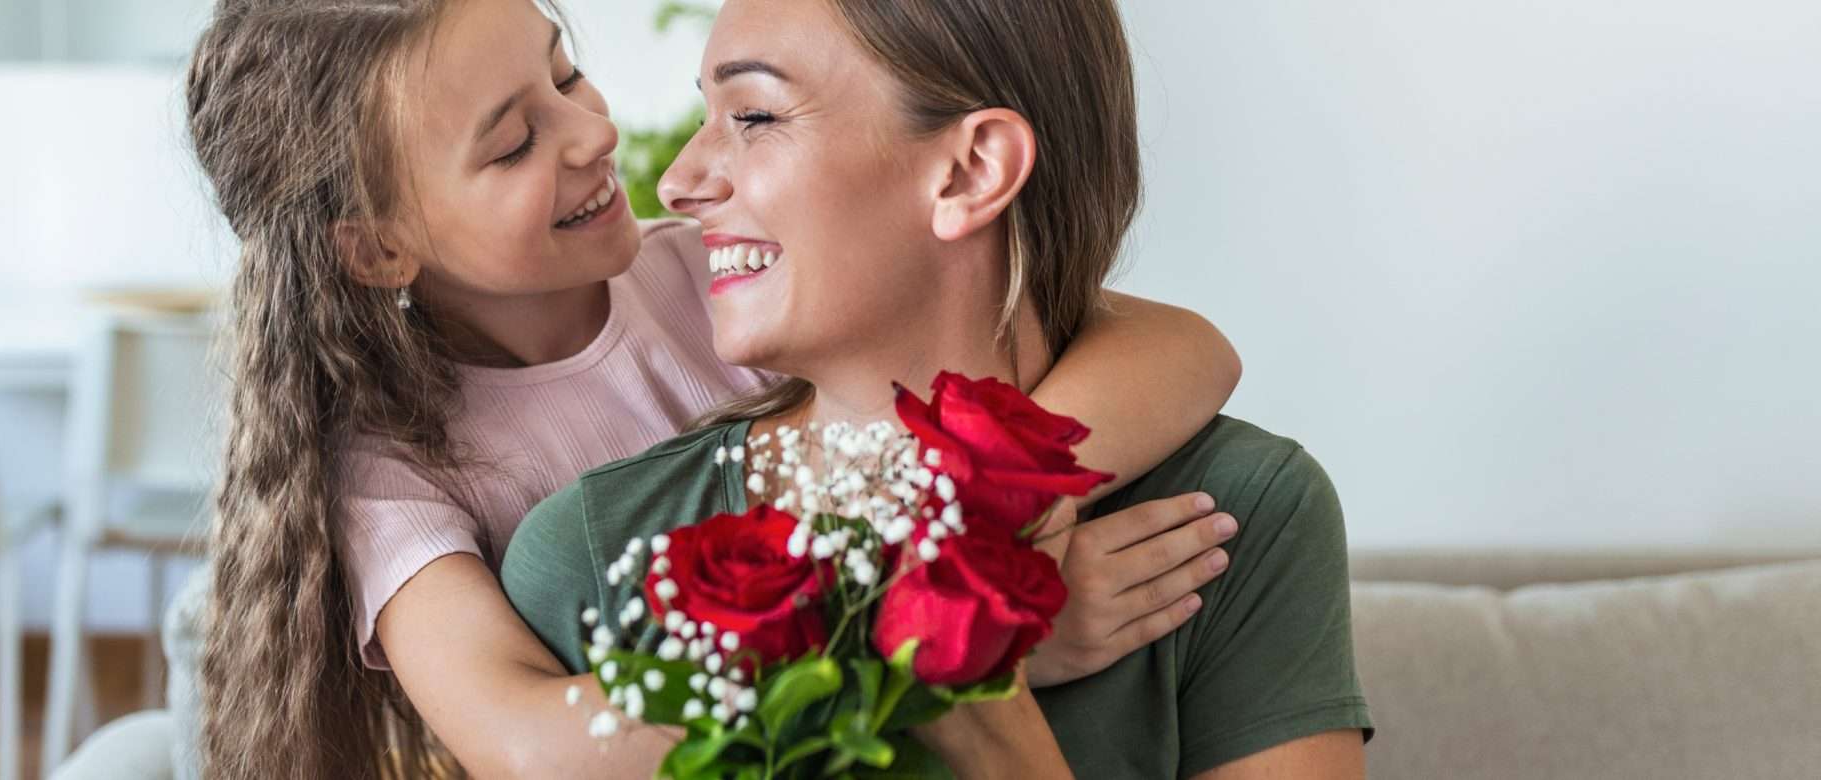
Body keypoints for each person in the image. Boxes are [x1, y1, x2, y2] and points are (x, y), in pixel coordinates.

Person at [182, 0, 1249, 776]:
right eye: (512, 143)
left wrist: (1008, 519)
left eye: (563, 76)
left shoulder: (716, 277)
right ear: (374, 249)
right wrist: (930, 653)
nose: (593, 133)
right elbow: (525, 740)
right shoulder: (390, 468)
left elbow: (1184, 349)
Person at [501, 0, 1374, 777]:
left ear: (969, 171)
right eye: (707, 114)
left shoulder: (1233, 517)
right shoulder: (588, 555)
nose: (680, 182)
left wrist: (986, 721)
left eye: (755, 115)